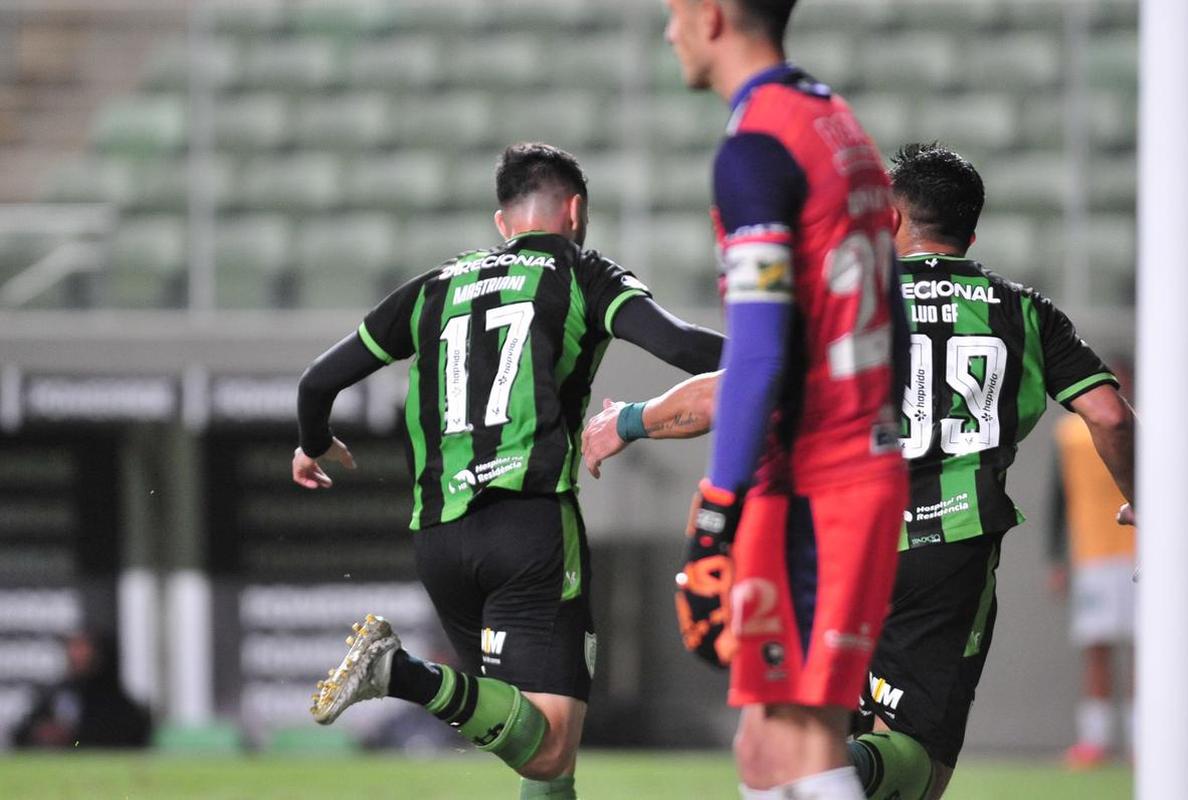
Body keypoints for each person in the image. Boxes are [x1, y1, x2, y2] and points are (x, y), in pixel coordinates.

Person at [582, 143, 1137, 799]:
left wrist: (629, 420)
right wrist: (1142, 499)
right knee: (917, 764)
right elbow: (1108, 415)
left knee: (826, 720)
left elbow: (739, 390)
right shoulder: (1024, 311)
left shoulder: (850, 300)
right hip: (951, 553)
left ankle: (803, 774)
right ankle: (814, 780)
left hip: (842, 543)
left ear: (893, 220)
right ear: (971, 231)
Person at [292, 142, 723, 800]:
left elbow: (317, 381)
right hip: (529, 527)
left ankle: (403, 674)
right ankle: (399, 674)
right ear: (575, 211)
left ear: (503, 223)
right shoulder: (581, 273)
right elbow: (683, 346)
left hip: (439, 538)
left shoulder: (434, 288)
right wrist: (785, 354)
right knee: (549, 748)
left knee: (533, 742)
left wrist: (315, 442)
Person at [660, 1, 910, 797]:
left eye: (672, 13)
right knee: (766, 749)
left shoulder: (756, 145)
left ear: (713, 16)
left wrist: (714, 512)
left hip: (814, 481)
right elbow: (891, 308)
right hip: (841, 467)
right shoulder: (836, 122)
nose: (669, 33)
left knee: (804, 740)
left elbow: (761, 348)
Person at [1047, 363, 1136, 768]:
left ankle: (1143, 738)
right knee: (1096, 648)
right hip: (1092, 554)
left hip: (1139, 549)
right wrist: (1056, 557)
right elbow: (1058, 497)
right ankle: (1095, 738)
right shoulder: (1069, 434)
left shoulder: (1147, 426)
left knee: (1143, 649)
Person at [12, 631, 151, 749]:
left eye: (83, 650)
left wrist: (73, 737)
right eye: (74, 649)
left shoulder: (119, 706)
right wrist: (40, 732)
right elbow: (20, 734)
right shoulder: (57, 695)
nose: (77, 656)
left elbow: (123, 738)